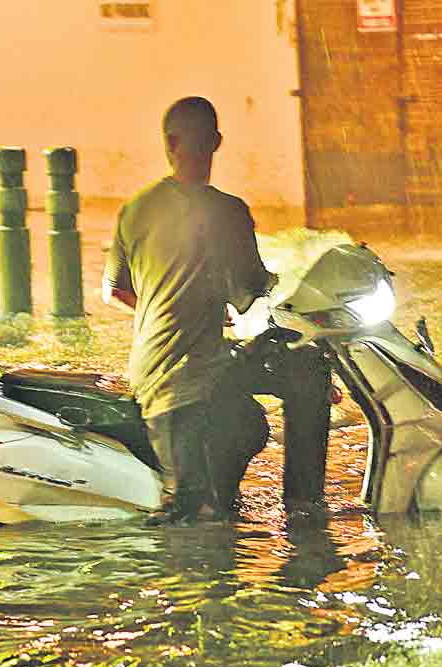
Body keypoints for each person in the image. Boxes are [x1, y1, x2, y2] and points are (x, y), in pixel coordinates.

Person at [102, 97, 272, 525]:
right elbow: (251, 290)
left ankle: (222, 505)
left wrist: (174, 305)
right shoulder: (228, 211)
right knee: (189, 515)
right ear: (217, 142)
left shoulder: (136, 208)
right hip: (180, 383)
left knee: (249, 423)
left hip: (155, 367)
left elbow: (115, 289)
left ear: (169, 143)